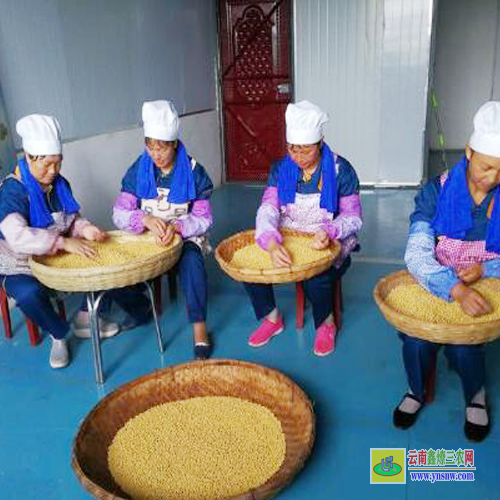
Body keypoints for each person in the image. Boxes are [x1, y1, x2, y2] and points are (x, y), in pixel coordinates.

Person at [393, 101, 500, 442]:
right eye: (485, 167)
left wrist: (486, 267)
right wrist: (454, 287)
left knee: (466, 344)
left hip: (487, 280)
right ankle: (415, 390)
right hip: (437, 279)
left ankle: (476, 396)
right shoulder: (436, 191)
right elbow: (417, 252)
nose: (493, 178)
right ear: (469, 152)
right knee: (416, 339)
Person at [243, 101, 362, 356]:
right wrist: (272, 243)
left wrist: (330, 232)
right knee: (250, 267)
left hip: (329, 236)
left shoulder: (341, 170)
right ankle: (272, 318)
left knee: (315, 274)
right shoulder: (281, 169)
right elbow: (268, 209)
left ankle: (326, 323)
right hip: (290, 234)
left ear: (320, 144)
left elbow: (353, 216)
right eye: (292, 150)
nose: (298, 157)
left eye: (305, 151)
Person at [0, 114, 119, 368]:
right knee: (28, 293)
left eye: (58, 163)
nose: (53, 171)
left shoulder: (58, 184)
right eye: (47, 165)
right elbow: (17, 237)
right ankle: (59, 334)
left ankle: (86, 319)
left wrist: (85, 230)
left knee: (106, 258)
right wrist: (64, 243)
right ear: (30, 158)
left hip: (53, 256)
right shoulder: (13, 190)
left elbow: (70, 219)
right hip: (19, 264)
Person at [113, 100, 214, 359]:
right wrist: (144, 220)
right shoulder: (139, 169)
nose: (156, 154)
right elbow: (119, 213)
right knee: (117, 266)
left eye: (163, 147)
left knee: (192, 262)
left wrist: (178, 226)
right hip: (147, 237)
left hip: (183, 235)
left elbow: (204, 219)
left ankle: (199, 327)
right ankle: (141, 309)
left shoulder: (194, 171)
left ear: (175, 144)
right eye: (151, 146)